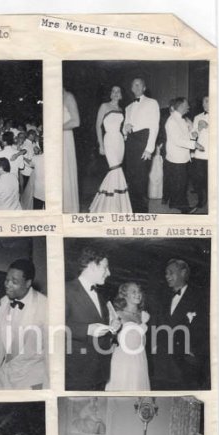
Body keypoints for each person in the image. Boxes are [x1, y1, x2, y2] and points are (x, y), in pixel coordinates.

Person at [0, 258, 48, 390]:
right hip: (4, 379)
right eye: (7, 279)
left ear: (28, 283)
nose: (7, 284)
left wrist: (47, 386)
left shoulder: (45, 305)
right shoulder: (3, 302)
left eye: (14, 281)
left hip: (32, 381)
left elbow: (51, 353)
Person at [65, 246, 121, 391]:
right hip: (77, 374)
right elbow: (54, 326)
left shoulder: (101, 297)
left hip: (100, 373)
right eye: (105, 267)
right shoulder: (66, 290)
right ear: (91, 266)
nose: (109, 273)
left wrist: (113, 325)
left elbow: (102, 325)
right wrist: (87, 329)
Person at [151, 258, 210, 390]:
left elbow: (206, 329)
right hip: (163, 363)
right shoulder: (163, 297)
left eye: (171, 272)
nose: (167, 276)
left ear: (183, 273)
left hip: (185, 364)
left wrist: (195, 353)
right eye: (166, 273)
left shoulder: (199, 296)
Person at [89, 85, 132, 213]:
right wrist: (100, 144)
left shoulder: (121, 109)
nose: (115, 93)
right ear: (110, 94)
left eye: (118, 91)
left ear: (121, 94)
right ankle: (107, 205)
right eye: (113, 91)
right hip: (108, 139)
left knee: (117, 170)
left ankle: (115, 205)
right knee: (115, 169)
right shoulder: (104, 106)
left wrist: (125, 133)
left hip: (119, 141)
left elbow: (123, 128)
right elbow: (98, 126)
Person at [123, 78, 160, 213]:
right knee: (131, 177)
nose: (137, 87)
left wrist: (149, 149)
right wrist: (124, 129)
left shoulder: (152, 103)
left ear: (144, 88)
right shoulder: (128, 107)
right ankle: (133, 210)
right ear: (132, 88)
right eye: (134, 85)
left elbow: (154, 126)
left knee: (141, 178)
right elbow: (124, 128)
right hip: (131, 142)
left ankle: (142, 213)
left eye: (139, 84)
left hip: (143, 140)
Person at [106, 282, 150, 390]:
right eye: (133, 292)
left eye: (139, 291)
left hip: (140, 358)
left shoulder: (144, 315)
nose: (138, 294)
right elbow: (108, 339)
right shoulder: (117, 314)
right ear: (124, 295)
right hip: (123, 359)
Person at [164, 97, 202, 213]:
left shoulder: (182, 119)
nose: (189, 107)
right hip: (176, 158)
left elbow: (186, 137)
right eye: (187, 105)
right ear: (180, 106)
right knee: (180, 184)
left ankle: (173, 203)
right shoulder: (172, 121)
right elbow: (178, 141)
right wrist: (194, 144)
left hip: (181, 157)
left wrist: (193, 133)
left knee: (179, 183)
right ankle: (184, 208)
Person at [63, 89, 80, 212]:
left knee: (65, 172)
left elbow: (76, 121)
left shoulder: (68, 96)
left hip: (65, 136)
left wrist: (55, 127)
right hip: (53, 138)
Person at [191, 96, 209, 210]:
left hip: (213, 153)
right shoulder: (197, 117)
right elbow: (194, 131)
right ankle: (201, 199)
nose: (204, 104)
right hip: (200, 152)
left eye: (206, 101)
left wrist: (207, 127)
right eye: (203, 102)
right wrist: (194, 133)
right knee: (198, 178)